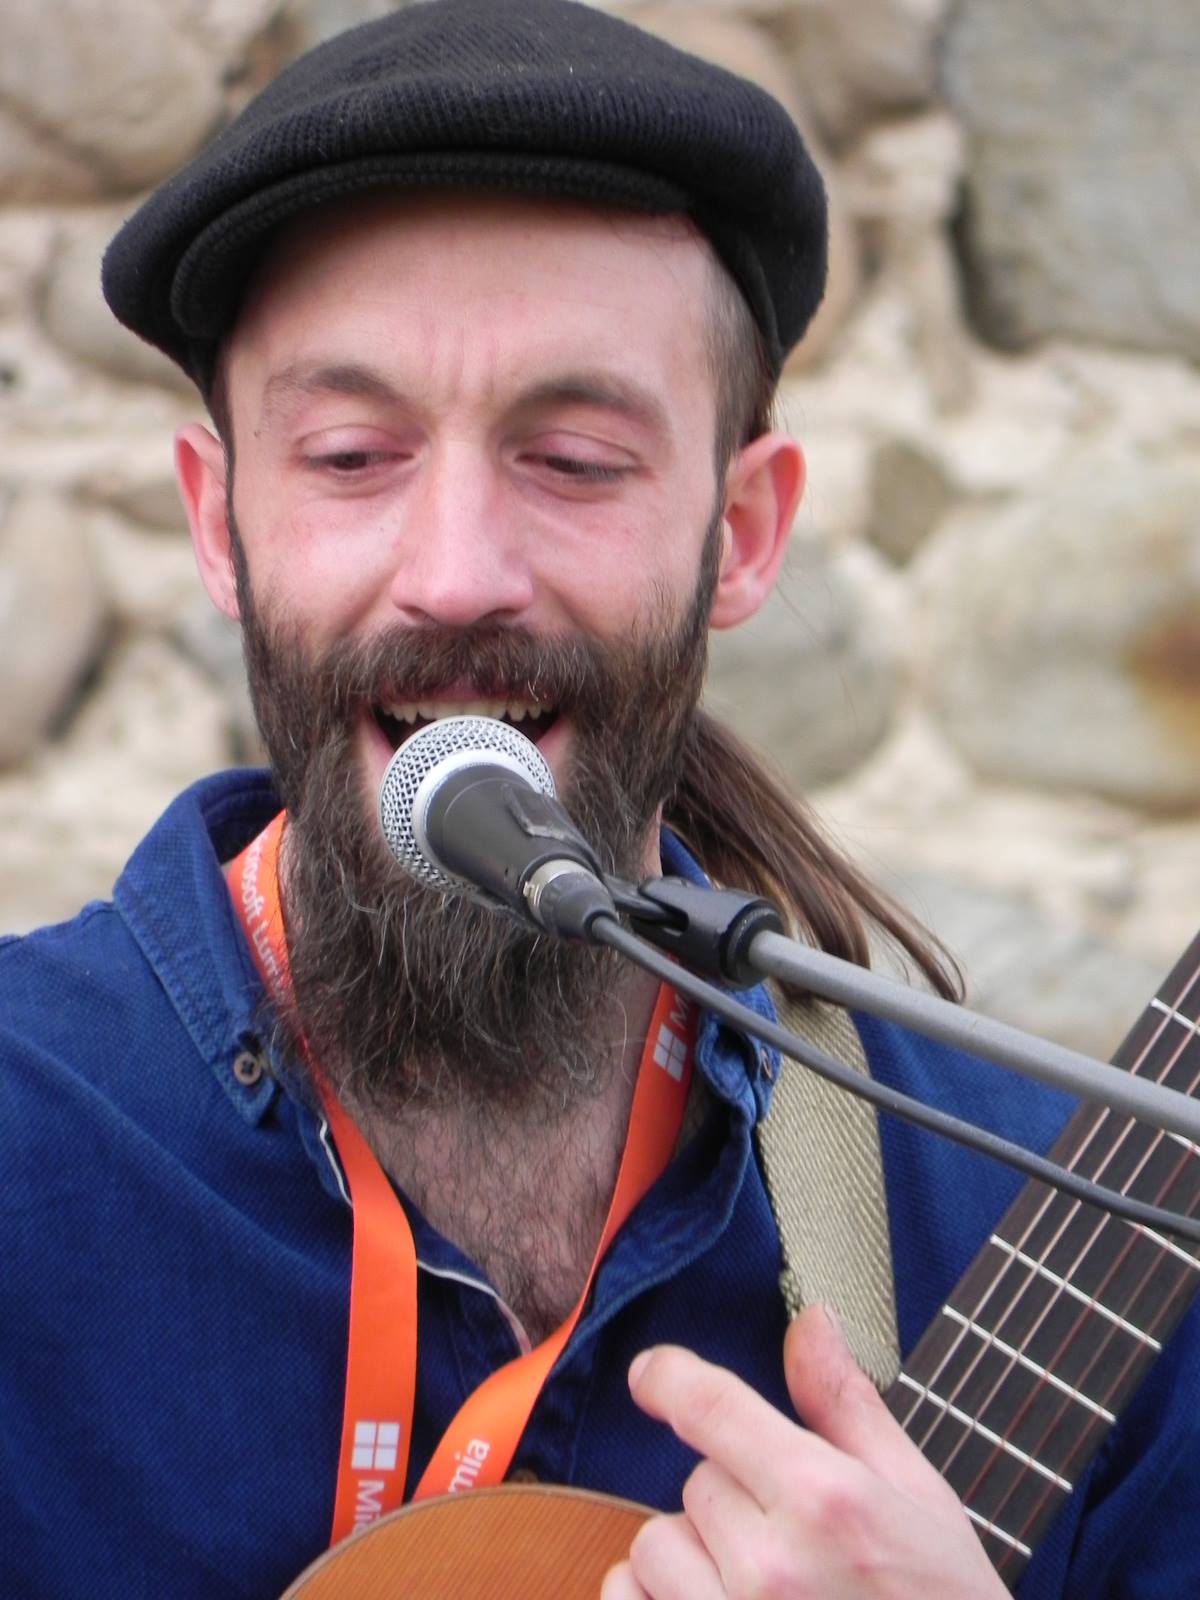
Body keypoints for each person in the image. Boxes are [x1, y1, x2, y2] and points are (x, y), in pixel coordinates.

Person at [2, 2, 1198, 1596]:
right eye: (351, 454)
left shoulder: (1058, 1246)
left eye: (573, 459)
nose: (456, 575)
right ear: (220, 526)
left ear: (743, 534)